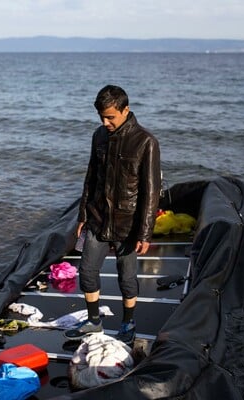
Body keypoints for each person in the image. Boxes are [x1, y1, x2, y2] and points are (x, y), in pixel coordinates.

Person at [64, 85, 161, 345]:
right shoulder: (99, 136)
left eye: (110, 117)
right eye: (101, 117)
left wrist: (145, 231)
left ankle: (128, 322)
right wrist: (83, 213)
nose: (105, 123)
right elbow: (91, 177)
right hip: (97, 218)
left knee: (126, 276)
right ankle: (94, 322)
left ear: (125, 110)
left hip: (127, 224)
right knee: (86, 271)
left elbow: (151, 192)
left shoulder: (145, 141)